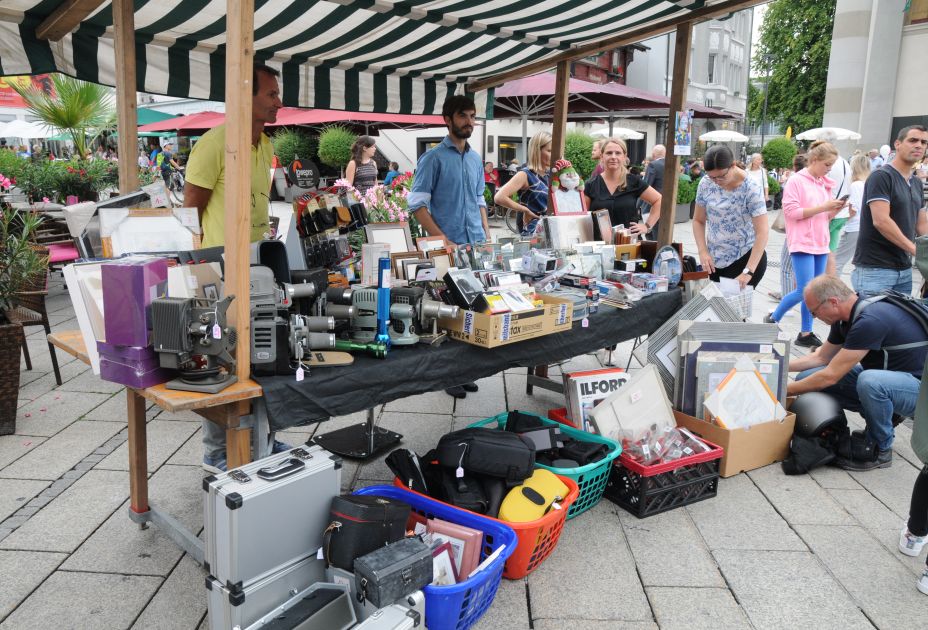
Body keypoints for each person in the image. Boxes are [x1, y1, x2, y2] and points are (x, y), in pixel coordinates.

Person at [183, 64, 285, 472]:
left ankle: (259, 438)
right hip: (220, 265)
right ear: (247, 97)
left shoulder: (265, 143)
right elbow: (192, 207)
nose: (278, 101)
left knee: (259, 351)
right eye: (271, 94)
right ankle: (216, 451)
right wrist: (200, 263)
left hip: (258, 260)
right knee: (222, 355)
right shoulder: (215, 142)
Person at [787, 275, 926, 470]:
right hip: (891, 380)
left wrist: (782, 391)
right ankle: (885, 414)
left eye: (814, 312)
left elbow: (830, 376)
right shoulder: (843, 318)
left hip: (920, 392)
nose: (813, 318)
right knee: (806, 378)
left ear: (833, 302)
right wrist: (779, 364)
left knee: (870, 381)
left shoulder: (870, 320)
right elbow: (820, 359)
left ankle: (880, 448)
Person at [408, 94, 488, 400]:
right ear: (448, 119)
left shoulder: (475, 158)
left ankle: (464, 370)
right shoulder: (432, 159)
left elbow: (480, 198)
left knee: (471, 309)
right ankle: (446, 374)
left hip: (474, 245)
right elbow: (417, 205)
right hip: (447, 248)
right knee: (447, 311)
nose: (469, 121)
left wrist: (484, 234)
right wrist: (442, 241)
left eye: (472, 116)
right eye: (463, 116)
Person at [766, 141, 848, 348]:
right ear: (814, 160)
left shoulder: (822, 182)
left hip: (820, 241)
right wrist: (824, 207)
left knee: (815, 292)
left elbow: (825, 215)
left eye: (831, 165)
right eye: (827, 164)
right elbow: (792, 212)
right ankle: (773, 319)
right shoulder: (796, 181)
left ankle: (805, 332)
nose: (829, 169)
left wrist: (836, 209)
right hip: (802, 241)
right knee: (804, 290)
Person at [851, 125, 928, 295]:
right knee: (873, 321)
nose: (919, 145)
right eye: (913, 140)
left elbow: (922, 225)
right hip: (875, 269)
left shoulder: (916, 183)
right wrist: (915, 250)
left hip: (904, 269)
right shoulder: (882, 176)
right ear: (897, 144)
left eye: (924, 142)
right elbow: (881, 221)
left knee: (902, 321)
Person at [693, 145, 768, 289]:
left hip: (745, 258)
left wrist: (748, 270)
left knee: (735, 310)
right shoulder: (706, 183)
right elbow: (698, 220)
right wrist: (702, 251)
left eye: (721, 176)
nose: (717, 181)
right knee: (717, 309)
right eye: (712, 176)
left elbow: (762, 232)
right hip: (714, 260)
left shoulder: (751, 187)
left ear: (733, 165)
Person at [583, 137, 661, 237]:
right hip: (600, 246)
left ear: (624, 156)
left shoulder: (633, 181)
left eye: (618, 153)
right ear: (602, 156)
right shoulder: (590, 185)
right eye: (609, 153)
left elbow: (659, 200)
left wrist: (647, 226)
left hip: (629, 245)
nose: (613, 157)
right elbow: (584, 217)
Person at [494, 131, 551, 236]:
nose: (553, 154)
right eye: (549, 150)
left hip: (550, 231)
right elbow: (499, 197)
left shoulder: (550, 174)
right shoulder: (526, 174)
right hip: (532, 234)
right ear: (537, 151)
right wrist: (524, 210)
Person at [834, 154, 868, 277]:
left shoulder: (855, 185)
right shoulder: (867, 183)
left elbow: (853, 209)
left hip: (854, 227)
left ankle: (832, 291)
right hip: (863, 227)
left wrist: (841, 221)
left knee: (836, 261)